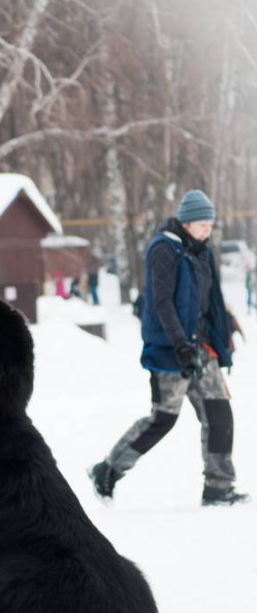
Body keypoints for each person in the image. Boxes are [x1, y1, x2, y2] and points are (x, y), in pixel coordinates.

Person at [88, 189, 249, 508]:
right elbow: (161, 302)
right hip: (170, 348)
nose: (208, 230)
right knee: (164, 418)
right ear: (186, 223)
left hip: (202, 346)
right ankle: (107, 470)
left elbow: (209, 297)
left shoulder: (201, 251)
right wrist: (180, 344)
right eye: (202, 224)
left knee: (219, 414)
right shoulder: (164, 249)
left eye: (210, 224)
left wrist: (224, 327)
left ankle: (219, 487)